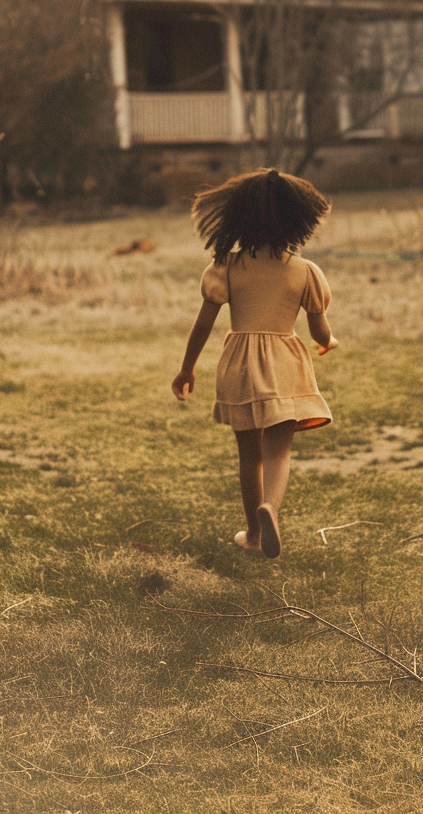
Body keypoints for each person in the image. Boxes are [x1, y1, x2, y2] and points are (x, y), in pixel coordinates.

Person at [171, 168, 338, 559]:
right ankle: (271, 510)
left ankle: (253, 534)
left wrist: (187, 368)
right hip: (286, 364)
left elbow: (201, 326)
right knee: (279, 450)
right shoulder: (305, 271)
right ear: (298, 220)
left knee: (251, 455)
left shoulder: (226, 267)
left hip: (240, 365)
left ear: (238, 216)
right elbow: (319, 329)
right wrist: (328, 342)